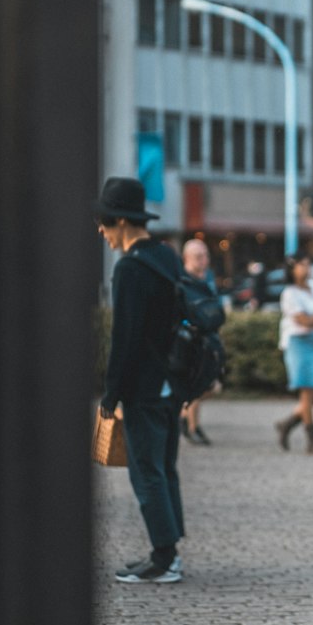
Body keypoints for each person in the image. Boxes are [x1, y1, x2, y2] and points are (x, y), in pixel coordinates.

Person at [94, 176, 186, 583]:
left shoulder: (130, 268)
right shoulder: (166, 256)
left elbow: (125, 338)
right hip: (173, 382)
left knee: (146, 471)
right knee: (165, 468)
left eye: (104, 223)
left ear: (120, 222)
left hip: (145, 386)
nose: (100, 231)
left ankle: (164, 560)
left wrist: (111, 394)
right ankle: (168, 551)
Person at [275, 254, 313, 455]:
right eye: (302, 265)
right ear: (292, 270)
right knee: (308, 392)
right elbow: (304, 321)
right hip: (299, 343)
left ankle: (288, 423)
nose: (306, 269)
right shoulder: (290, 294)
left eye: (308, 264)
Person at [180, 238, 219, 446]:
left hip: (208, 339)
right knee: (196, 382)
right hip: (190, 341)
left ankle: (185, 417)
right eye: (198, 256)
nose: (203, 260)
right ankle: (192, 426)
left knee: (209, 385)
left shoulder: (207, 279)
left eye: (205, 256)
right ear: (186, 258)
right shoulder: (182, 281)